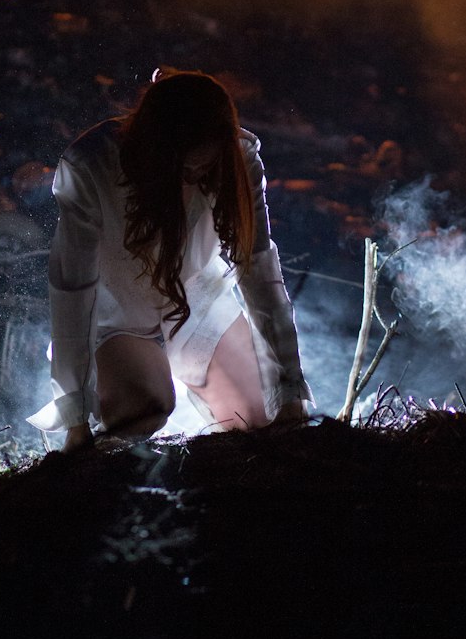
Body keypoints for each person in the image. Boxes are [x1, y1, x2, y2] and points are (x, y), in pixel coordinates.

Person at [28, 69, 313, 451]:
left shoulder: (238, 159)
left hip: (196, 303)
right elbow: (72, 289)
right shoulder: (91, 165)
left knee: (261, 417)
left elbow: (260, 270)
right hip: (117, 319)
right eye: (186, 168)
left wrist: (288, 389)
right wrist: (75, 418)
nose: (196, 178)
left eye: (206, 168)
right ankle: (114, 427)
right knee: (145, 407)